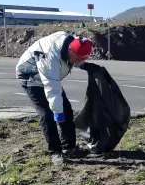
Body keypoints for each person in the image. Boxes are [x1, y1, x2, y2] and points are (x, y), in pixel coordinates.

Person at [16, 31, 93, 165]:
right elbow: (51, 87)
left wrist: (88, 67)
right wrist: (57, 112)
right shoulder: (50, 57)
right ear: (70, 50)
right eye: (76, 59)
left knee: (67, 110)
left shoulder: (72, 46)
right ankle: (55, 152)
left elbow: (77, 55)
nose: (77, 62)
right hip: (31, 77)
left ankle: (69, 148)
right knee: (47, 114)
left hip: (50, 78)